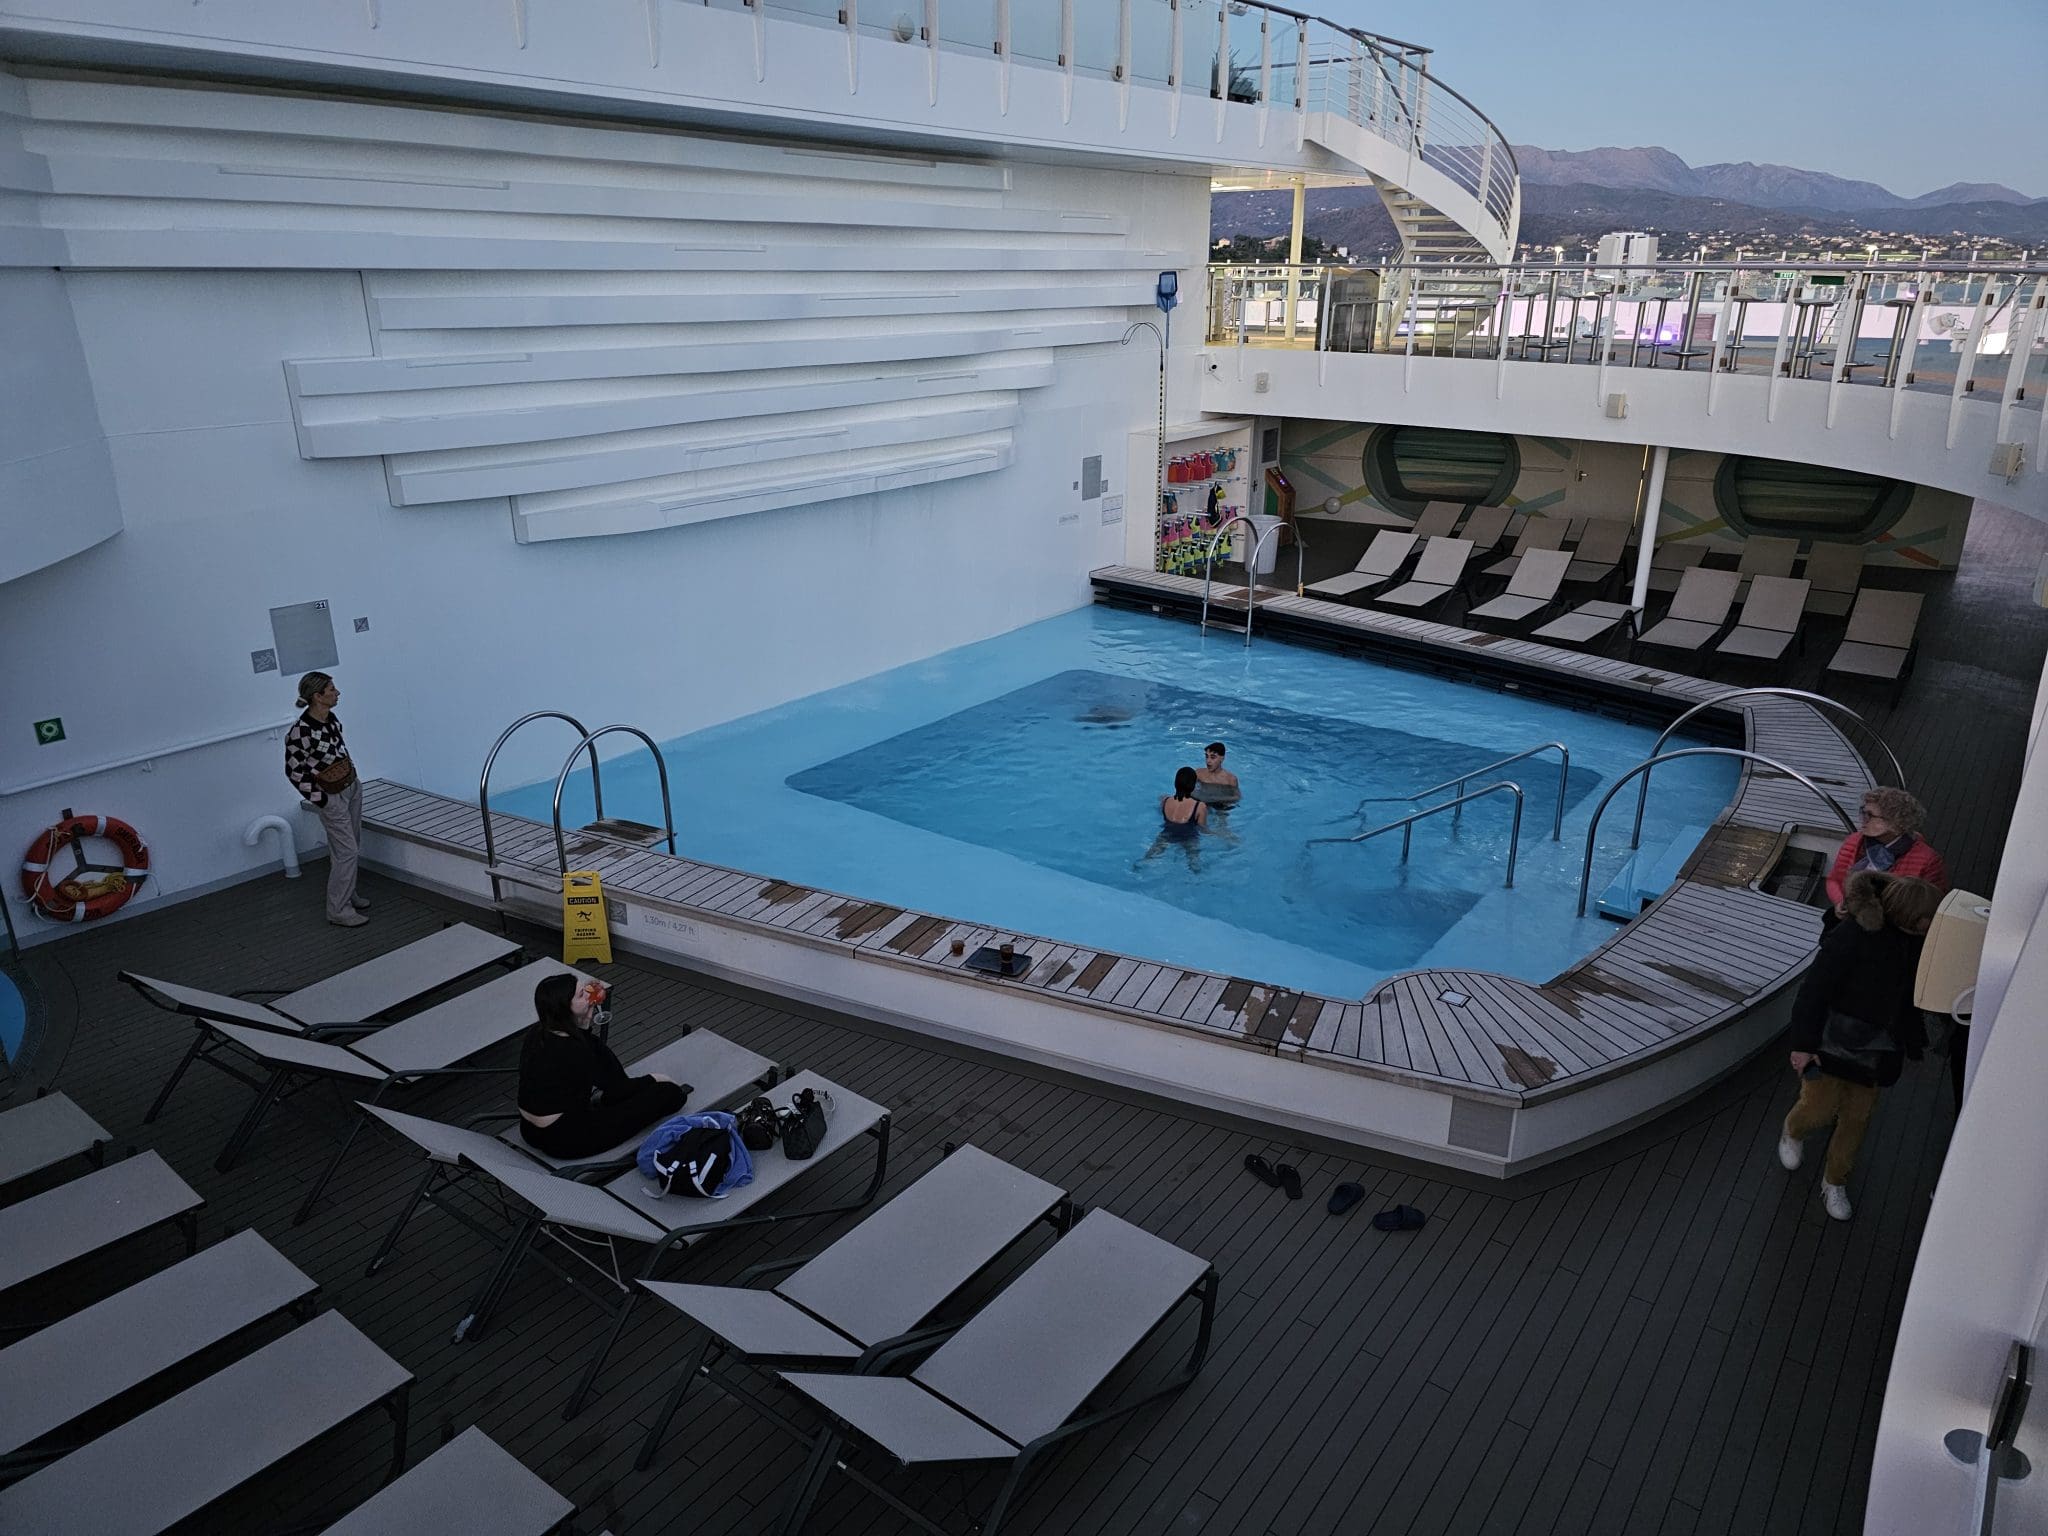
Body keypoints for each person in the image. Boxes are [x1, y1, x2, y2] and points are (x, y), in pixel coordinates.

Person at [1778, 872, 1942, 1221]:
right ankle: (1793, 1131)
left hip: (1877, 1051)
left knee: (1857, 1119)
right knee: (1818, 1109)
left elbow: (1909, 1000)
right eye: (1927, 920)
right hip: (1829, 1042)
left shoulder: (1919, 944)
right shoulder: (1854, 935)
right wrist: (1803, 1045)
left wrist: (1912, 1041)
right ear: (1911, 917)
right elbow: (1814, 991)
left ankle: (1835, 1181)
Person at [518, 973, 687, 1159]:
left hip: (529, 1130)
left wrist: (582, 1023)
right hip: (565, 1139)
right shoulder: (578, 1049)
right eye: (581, 994)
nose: (589, 996)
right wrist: (654, 1078)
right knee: (670, 1093)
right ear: (565, 1008)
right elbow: (618, 1090)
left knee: (604, 1097)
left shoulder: (535, 1034)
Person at [284, 671, 370, 928]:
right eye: (332, 690)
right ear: (317, 696)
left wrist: (353, 779)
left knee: (350, 844)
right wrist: (321, 799)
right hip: (330, 796)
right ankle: (338, 909)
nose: (337, 693)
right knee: (347, 851)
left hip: (350, 787)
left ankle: (347, 893)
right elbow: (294, 770)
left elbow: (338, 749)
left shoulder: (331, 720)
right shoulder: (301, 731)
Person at [1824, 787, 1946, 918]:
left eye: (1870, 815)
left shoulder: (1928, 861)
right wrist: (1839, 901)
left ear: (1896, 822)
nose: (1863, 819)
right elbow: (1834, 880)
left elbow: (1931, 908)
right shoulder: (1854, 841)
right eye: (1863, 812)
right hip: (1851, 916)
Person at [1161, 766, 1209, 838]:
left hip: (1166, 834)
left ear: (1176, 783)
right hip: (1188, 838)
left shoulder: (1165, 801)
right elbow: (1203, 829)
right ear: (1193, 785)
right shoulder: (1200, 806)